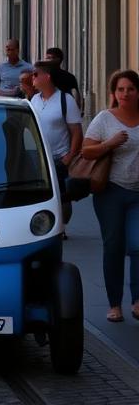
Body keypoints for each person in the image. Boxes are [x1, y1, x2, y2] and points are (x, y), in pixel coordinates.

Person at [81, 70, 139, 323]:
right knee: (113, 246)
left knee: (138, 246)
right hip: (111, 192)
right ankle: (115, 304)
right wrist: (110, 143)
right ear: (113, 93)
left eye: (131, 89)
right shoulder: (105, 119)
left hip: (138, 193)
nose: (125, 94)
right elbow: (86, 151)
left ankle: (137, 301)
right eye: (121, 89)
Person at [30, 60, 83, 227]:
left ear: (47, 77)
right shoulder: (34, 99)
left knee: (59, 195)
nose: (33, 77)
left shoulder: (65, 100)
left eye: (36, 74)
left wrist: (70, 156)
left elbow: (76, 132)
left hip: (59, 157)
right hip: (37, 158)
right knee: (40, 195)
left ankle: (61, 226)